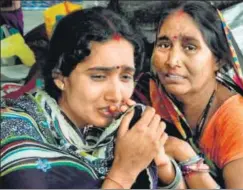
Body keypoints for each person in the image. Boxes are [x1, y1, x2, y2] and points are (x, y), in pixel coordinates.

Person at [0, 7, 184, 189]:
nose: (116, 95)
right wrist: (124, 173)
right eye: (98, 76)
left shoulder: (121, 127)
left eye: (125, 77)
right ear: (60, 77)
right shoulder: (16, 134)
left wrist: (161, 163)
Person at [133, 1, 243, 189]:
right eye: (164, 44)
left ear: (218, 60)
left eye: (190, 47)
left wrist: (183, 154)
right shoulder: (148, 91)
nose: (172, 60)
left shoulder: (236, 120)